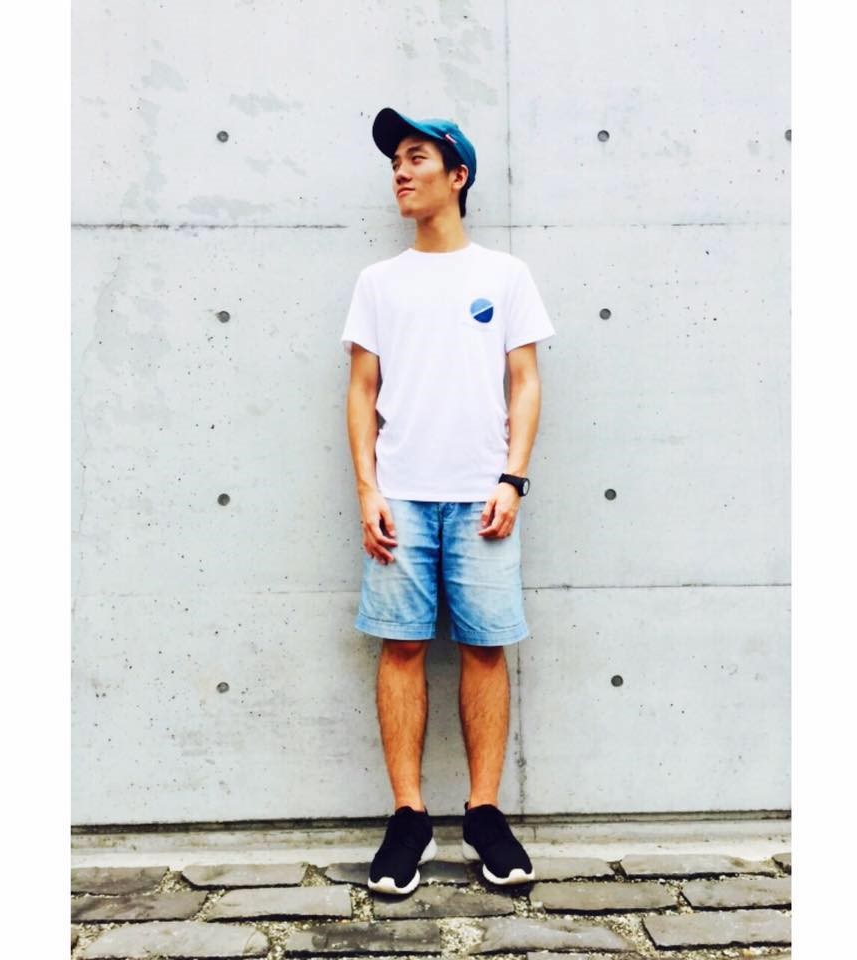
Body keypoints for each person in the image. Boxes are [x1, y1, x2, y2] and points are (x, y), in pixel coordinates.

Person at [340, 107, 555, 896]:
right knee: (399, 648)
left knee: (484, 647)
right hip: (400, 498)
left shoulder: (504, 275)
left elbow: (525, 381)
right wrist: (368, 488)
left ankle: (485, 814)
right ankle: (409, 819)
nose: (400, 171)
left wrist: (512, 478)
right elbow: (361, 390)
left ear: (456, 176)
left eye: (415, 157)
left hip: (481, 499)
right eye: (394, 161)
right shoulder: (379, 283)